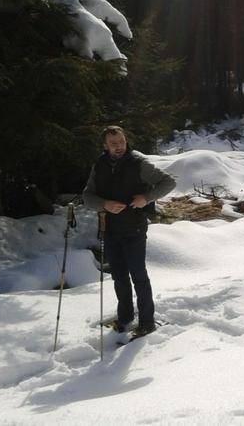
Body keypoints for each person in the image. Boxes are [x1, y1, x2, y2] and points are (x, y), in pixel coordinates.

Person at [83, 125, 176, 337]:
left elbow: (168, 182)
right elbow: (87, 196)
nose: (119, 147)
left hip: (134, 228)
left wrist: (146, 198)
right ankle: (125, 318)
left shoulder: (138, 164)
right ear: (105, 145)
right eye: (114, 143)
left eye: (122, 142)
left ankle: (147, 322)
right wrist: (104, 204)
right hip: (110, 228)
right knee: (119, 276)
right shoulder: (99, 165)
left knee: (138, 276)